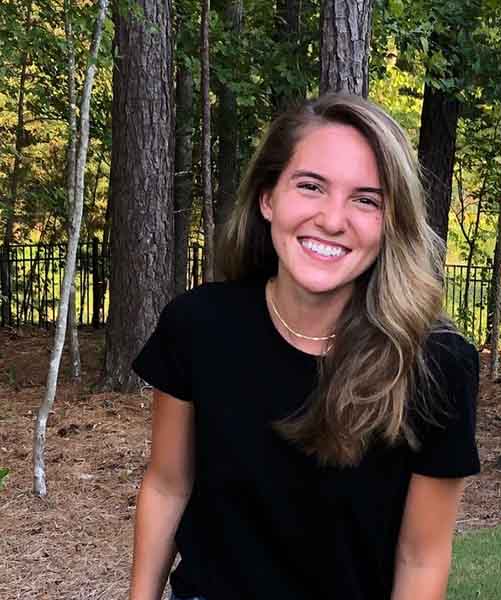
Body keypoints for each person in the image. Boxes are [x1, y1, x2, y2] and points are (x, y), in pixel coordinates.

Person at [129, 93, 480, 600]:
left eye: (366, 200)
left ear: (391, 222)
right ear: (268, 198)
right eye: (311, 186)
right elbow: (167, 486)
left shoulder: (434, 363)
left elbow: (421, 558)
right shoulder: (198, 325)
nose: (333, 220)